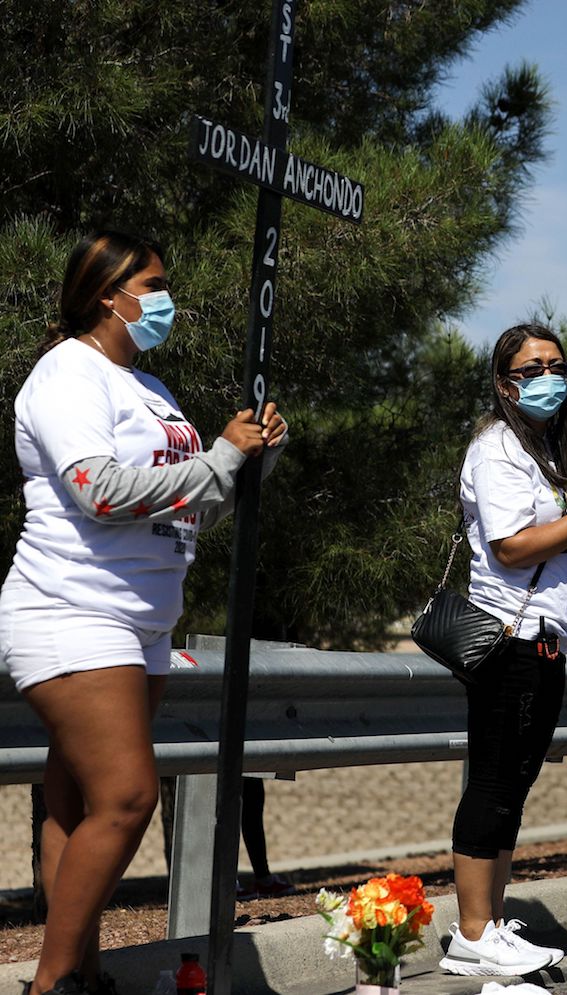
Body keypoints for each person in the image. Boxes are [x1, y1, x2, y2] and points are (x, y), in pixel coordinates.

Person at [1, 231, 287, 995]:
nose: (166, 300)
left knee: (77, 807)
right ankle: (52, 984)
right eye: (153, 286)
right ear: (107, 295)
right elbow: (99, 488)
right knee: (128, 796)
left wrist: (247, 464)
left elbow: (181, 512)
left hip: (141, 621)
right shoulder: (68, 371)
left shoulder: (151, 389)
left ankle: (85, 974)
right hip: (72, 607)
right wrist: (218, 458)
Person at [441, 323, 567, 977]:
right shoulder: (497, 445)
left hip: (546, 641)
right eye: (531, 368)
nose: (548, 376)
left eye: (556, 365)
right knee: (493, 784)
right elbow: (511, 545)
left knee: (511, 789)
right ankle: (473, 933)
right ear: (504, 384)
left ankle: (492, 922)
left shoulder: (547, 452)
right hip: (507, 638)